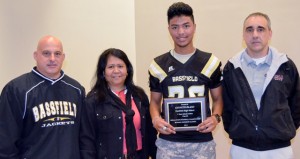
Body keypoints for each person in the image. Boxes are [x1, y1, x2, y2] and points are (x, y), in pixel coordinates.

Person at [148, 2, 223, 159]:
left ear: (194, 27)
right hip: (169, 142)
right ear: (169, 29)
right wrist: (155, 119)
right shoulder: (158, 65)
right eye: (175, 27)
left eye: (186, 26)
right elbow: (154, 102)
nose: (181, 32)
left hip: (202, 142)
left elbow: (218, 98)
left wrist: (215, 118)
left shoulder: (210, 62)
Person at [222, 12, 300, 159]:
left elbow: (296, 105)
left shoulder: (286, 66)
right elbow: (228, 107)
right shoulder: (231, 67)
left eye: (261, 29)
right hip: (242, 149)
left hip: (279, 150)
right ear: (243, 35)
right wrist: (239, 129)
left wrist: (281, 128)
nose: (255, 34)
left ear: (270, 33)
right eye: (249, 29)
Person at [0, 35, 85, 159]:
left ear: (63, 57)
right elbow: (5, 142)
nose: (52, 58)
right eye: (46, 53)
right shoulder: (16, 89)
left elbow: (84, 137)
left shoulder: (76, 90)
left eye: (57, 54)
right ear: (36, 56)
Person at [80, 48, 157, 159]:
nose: (116, 71)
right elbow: (87, 139)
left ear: (127, 70)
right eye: (110, 67)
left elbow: (150, 131)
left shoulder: (139, 96)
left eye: (120, 66)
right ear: (103, 72)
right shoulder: (93, 100)